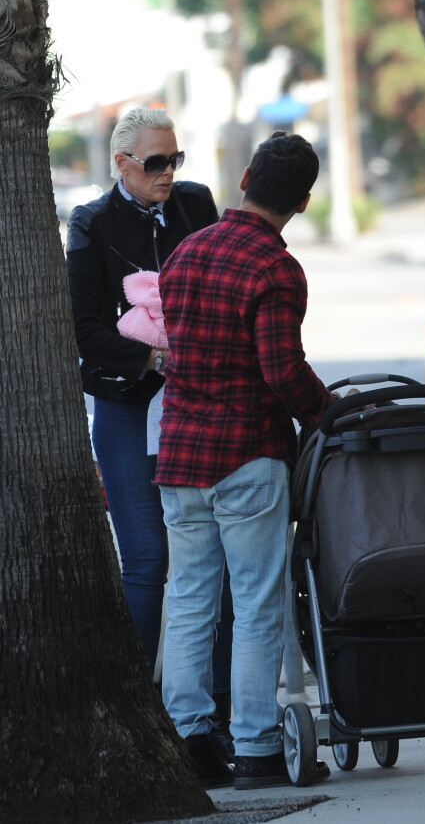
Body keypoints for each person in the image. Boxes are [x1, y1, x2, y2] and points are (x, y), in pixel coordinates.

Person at [154, 131, 333, 789]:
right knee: (257, 603)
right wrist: (325, 411)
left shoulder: (185, 253)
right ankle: (256, 747)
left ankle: (190, 741)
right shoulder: (275, 268)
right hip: (246, 455)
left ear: (245, 177)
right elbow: (283, 371)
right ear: (305, 202)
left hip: (180, 456)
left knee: (190, 599)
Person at [66, 109, 234, 760]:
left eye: (175, 159)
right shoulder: (91, 221)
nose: (168, 174)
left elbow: (225, 285)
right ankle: (139, 710)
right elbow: (86, 332)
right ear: (121, 163)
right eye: (154, 162)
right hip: (129, 401)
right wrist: (155, 358)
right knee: (148, 558)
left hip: (198, 402)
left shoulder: (195, 204)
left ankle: (214, 711)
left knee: (210, 558)